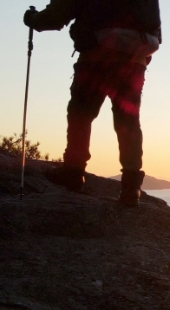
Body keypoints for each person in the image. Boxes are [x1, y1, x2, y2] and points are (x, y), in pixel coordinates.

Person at [23, 0, 161, 206]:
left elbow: (57, 14)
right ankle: (131, 188)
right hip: (134, 60)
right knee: (128, 121)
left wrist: (33, 19)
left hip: (96, 56)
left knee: (81, 114)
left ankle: (74, 173)